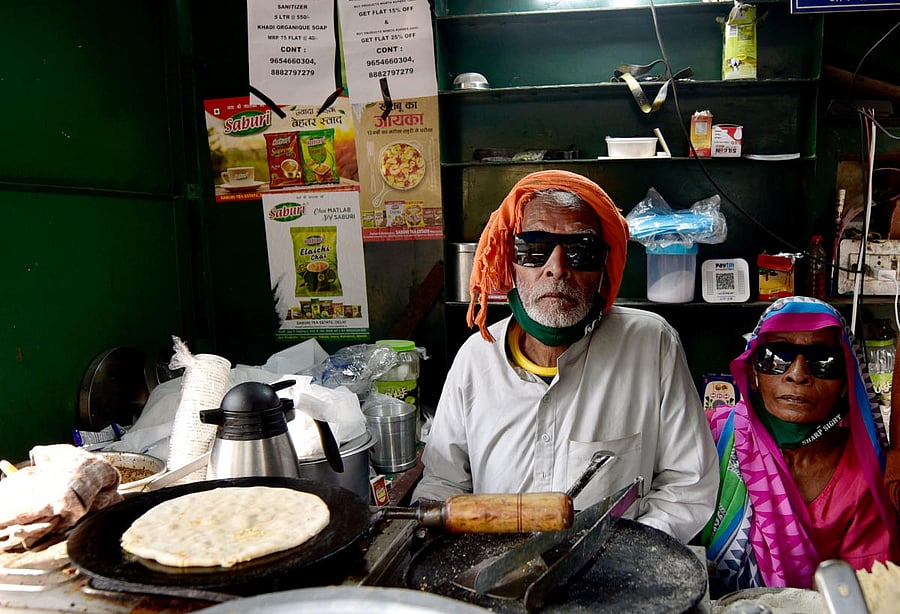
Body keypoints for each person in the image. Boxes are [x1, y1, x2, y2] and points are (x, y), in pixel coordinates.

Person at [412, 170, 719, 544]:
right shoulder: (476, 359)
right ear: (510, 262)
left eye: (581, 251)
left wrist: (623, 554)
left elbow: (688, 484)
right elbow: (443, 482)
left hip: (613, 566)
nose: (557, 268)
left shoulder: (652, 345)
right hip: (490, 565)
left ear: (603, 268)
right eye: (534, 249)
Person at [702, 296, 900, 597]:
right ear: (753, 375)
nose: (797, 374)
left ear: (845, 383)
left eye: (823, 361)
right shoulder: (710, 437)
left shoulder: (862, 478)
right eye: (776, 357)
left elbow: (863, 593)